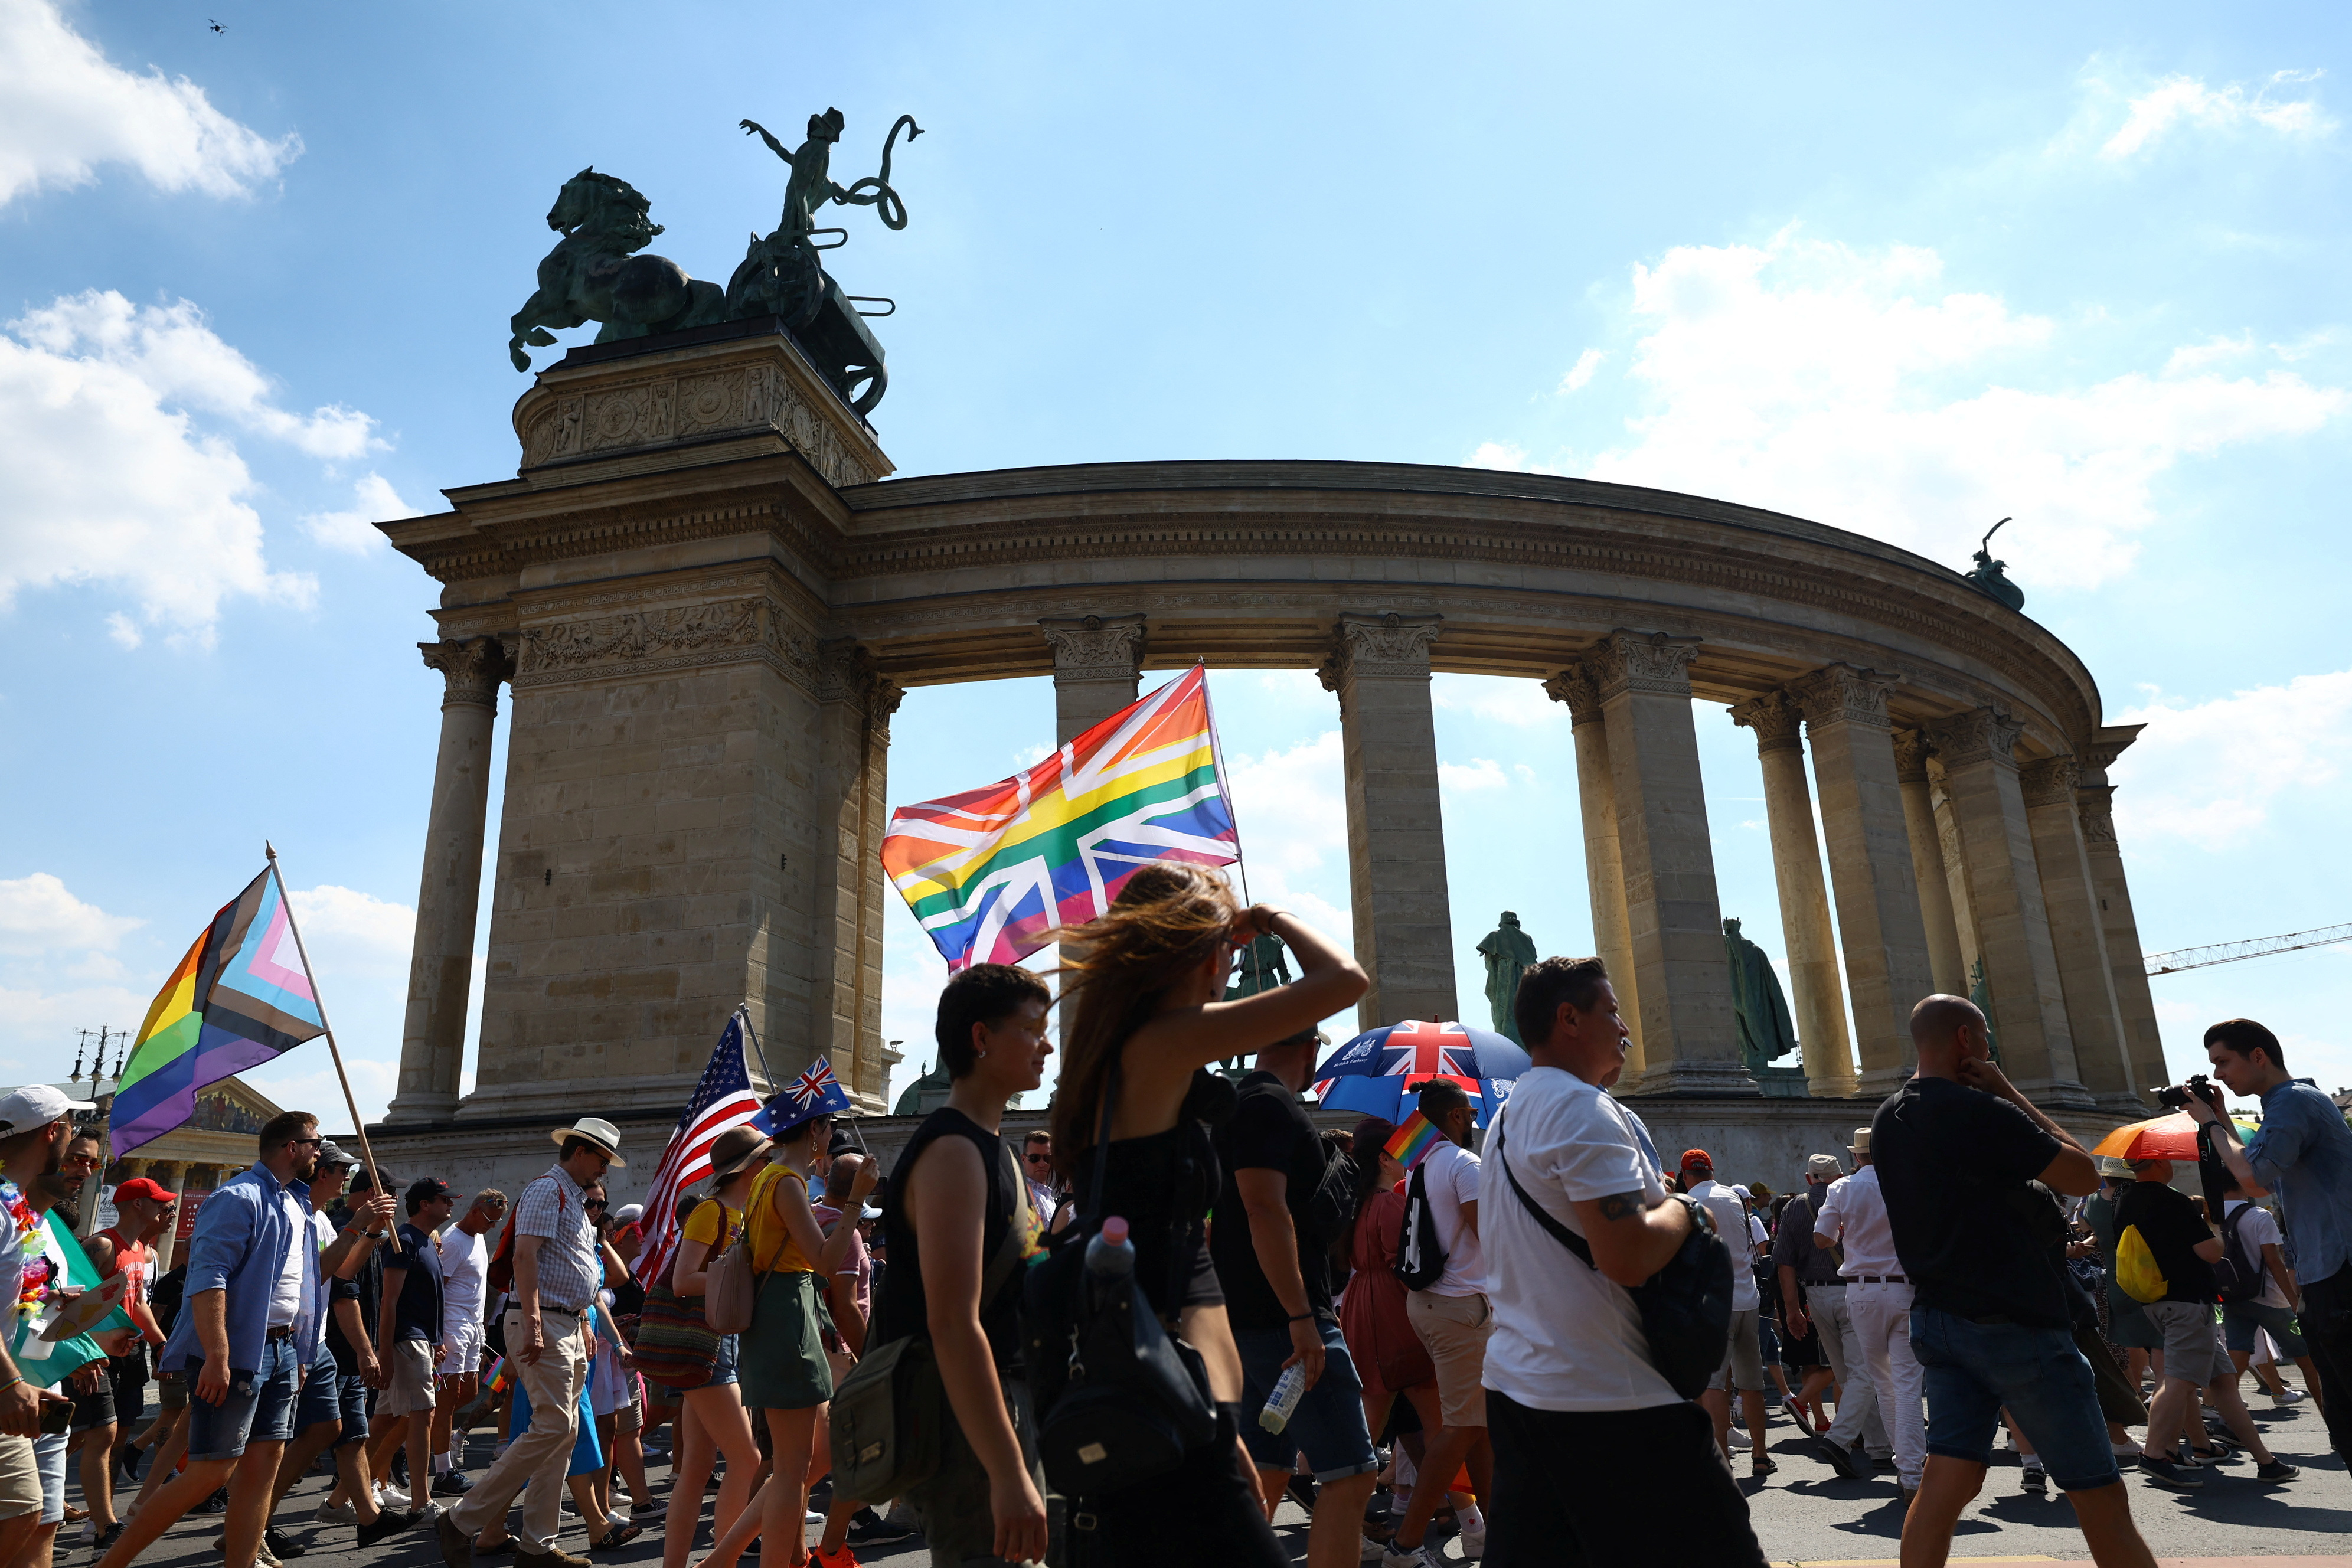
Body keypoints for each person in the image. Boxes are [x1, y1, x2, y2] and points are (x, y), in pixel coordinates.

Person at [1048, 867, 1366, 1567]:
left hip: (1167, 1368)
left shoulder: (1126, 1048)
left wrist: (1226, 1428)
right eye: (1225, 945)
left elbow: (1189, 1251)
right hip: (1152, 1368)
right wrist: (1271, 919)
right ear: (1200, 948)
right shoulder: (1161, 1040)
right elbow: (1345, 981)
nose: (1234, 959)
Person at [1475, 956, 1765, 1567]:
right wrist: (1687, 1210)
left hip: (1520, 1389)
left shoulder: (1505, 1119)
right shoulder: (1582, 1108)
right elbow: (1629, 1254)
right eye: (1611, 1010)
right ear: (1569, 1018)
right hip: (1613, 1402)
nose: (1627, 1027)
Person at [1872, 994, 2158, 1568]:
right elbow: (2081, 1173)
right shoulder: (1983, 1111)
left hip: (1940, 1319)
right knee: (2101, 1493)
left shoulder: (1889, 1118)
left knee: (1947, 1486)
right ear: (1965, 1039)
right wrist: (2008, 1090)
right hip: (2019, 1324)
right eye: (1984, 1037)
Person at [867, 962, 1054, 1567]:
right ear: (981, 1038)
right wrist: (1006, 1471)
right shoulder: (952, 1152)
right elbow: (953, 1321)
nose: (1048, 1043)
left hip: (998, 1409)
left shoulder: (994, 1150)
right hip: (969, 1425)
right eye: (1032, 1028)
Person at [93, 1111, 328, 1568]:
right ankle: (110, 1564)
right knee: (209, 1471)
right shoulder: (238, 1197)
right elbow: (207, 1278)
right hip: (240, 1352)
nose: (319, 1151)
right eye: (314, 1143)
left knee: (262, 1469)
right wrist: (219, 1354)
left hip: (282, 1349)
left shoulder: (296, 1201)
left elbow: (300, 1287)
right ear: (291, 1147)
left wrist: (299, 1352)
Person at [1208, 1026, 1381, 1568]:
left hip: (1250, 1319)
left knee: (1269, 1470)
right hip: (1286, 1321)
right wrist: (1301, 1316)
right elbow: (1263, 1209)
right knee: (1353, 1473)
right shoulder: (1269, 1104)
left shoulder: (1242, 1104)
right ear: (1308, 1048)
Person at [436, 1117, 626, 1568]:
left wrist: (579, 1319)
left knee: (562, 1433)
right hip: (544, 1323)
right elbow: (525, 1256)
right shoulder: (549, 1189)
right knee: (554, 1427)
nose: (605, 1169)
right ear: (581, 1151)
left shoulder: (574, 1199)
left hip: (567, 1323)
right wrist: (538, 1323)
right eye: (602, 1159)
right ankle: (461, 1521)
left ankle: (537, 1545)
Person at [2184, 1017, 2352, 1462]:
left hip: (2339, 1271)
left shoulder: (2293, 1101)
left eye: (2224, 1061)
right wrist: (2220, 1118)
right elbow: (2261, 1170)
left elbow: (2253, 1177)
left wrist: (2209, 1124)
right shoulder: (2291, 1104)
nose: (2219, 1074)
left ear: (2258, 1056)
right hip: (2327, 1272)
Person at [743, 1090, 878, 1568]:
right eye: (828, 1126)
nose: (830, 1135)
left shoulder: (769, 1179)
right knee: (793, 1469)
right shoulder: (786, 1183)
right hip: (789, 1320)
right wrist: (856, 1202)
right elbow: (823, 1261)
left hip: (782, 1318)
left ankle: (739, 1558)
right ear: (816, 1130)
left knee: (802, 1462)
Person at [263, 1142, 411, 1553]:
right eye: (341, 1169)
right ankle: (251, 1525)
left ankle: (369, 1518)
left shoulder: (325, 1220)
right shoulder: (308, 1216)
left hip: (318, 1342)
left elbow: (343, 1270)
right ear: (322, 1172)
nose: (347, 1177)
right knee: (300, 1437)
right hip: (304, 1341)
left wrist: (375, 1229)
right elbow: (339, 1284)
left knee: (349, 1436)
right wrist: (366, 1350)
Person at [2113, 1155, 2294, 1489]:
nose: (2171, 1164)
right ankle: (2155, 1454)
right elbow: (2212, 1252)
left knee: (2222, 1379)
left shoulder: (2125, 1200)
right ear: (2156, 1163)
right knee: (2180, 1380)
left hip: (2156, 1299)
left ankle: (2265, 1460)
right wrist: (2211, 1224)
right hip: (2187, 1301)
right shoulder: (2174, 1200)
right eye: (2165, 1159)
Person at [1385, 1076, 1492, 1566]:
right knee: (1460, 1427)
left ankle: (1499, 1533)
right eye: (1468, 1115)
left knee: (1477, 1425)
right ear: (1453, 1115)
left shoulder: (1419, 1165)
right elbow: (1487, 1235)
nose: (1472, 1122)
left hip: (1429, 1303)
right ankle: (1405, 1545)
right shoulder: (1464, 1163)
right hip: (1460, 1309)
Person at [658, 1125, 768, 1568]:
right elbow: (684, 1280)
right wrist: (745, 1280)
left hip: (722, 1346)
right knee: (746, 1460)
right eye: (765, 1160)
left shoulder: (739, 1214)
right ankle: (722, 1561)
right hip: (708, 1349)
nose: (771, 1167)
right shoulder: (712, 1212)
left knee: (698, 1469)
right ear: (749, 1168)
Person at [0, 1090, 96, 1568]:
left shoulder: (19, 1210)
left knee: (39, 1517)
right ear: (53, 1132)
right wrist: (10, 1382)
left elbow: (18, 1303)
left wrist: (58, 1307)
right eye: (73, 1138)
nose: (81, 1165)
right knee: (23, 1514)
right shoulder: (4, 1205)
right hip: (10, 1390)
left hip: (29, 1391)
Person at [1815, 1124, 1924, 1500]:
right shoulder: (1909, 1183)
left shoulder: (1842, 1188)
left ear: (1857, 1156)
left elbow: (1822, 1237)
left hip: (1862, 1291)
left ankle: (1906, 1468)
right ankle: (1912, 1473)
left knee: (1885, 1384)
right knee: (1908, 1385)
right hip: (1903, 1288)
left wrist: (1848, 1229)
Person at [1776, 1152, 1889, 1481]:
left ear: (1809, 1178)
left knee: (1847, 1373)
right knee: (1865, 1373)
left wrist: (1793, 1309)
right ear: (1840, 1174)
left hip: (1816, 1294)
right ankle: (1840, 1440)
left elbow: (1785, 1262)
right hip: (1853, 1289)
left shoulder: (1795, 1207)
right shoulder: (1852, 1192)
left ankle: (1880, 1448)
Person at [83, 1175, 175, 1552]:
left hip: (129, 1354)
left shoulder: (139, 1249)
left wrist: (161, 1345)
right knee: (88, 1435)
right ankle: (94, 1519)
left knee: (116, 1433)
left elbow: (138, 1305)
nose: (165, 1208)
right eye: (159, 1202)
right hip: (96, 1357)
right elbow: (73, 1305)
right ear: (138, 1204)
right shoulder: (102, 1246)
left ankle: (99, 1522)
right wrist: (92, 1348)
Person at [1681, 1149, 1771, 1477]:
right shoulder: (1735, 1198)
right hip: (1746, 1297)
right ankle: (1760, 1456)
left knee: (1714, 1384)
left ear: (1685, 1174)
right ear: (1712, 1171)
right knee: (1752, 1384)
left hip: (1712, 1304)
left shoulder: (1685, 1203)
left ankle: (1721, 1457)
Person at [372, 1179, 455, 1526]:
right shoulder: (402, 1240)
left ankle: (342, 1494)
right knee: (423, 1416)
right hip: (406, 1342)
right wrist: (385, 1354)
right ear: (424, 1204)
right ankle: (421, 1502)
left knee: (387, 1422)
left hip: (420, 1342)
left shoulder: (424, 1242)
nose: (450, 1205)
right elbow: (388, 1302)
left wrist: (435, 1341)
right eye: (443, 1200)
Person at [2218, 1175, 2324, 1406]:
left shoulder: (2211, 1216)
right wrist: (2294, 1301)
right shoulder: (2258, 1216)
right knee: (2309, 1361)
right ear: (2241, 1184)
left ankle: (2225, 1411)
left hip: (2232, 1296)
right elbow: (2274, 1261)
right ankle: (2334, 1421)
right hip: (2269, 1299)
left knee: (2238, 1355)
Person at [433, 1188, 505, 1495]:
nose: (492, 1227)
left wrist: (481, 1330)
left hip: (473, 1327)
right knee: (448, 1401)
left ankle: (425, 1435)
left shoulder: (477, 1236)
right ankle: (442, 1473)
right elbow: (438, 1290)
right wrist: (438, 1336)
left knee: (470, 1392)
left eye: (496, 1223)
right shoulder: (452, 1241)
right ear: (475, 1211)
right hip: (452, 1326)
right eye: (490, 1220)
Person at [1020, 1132, 1057, 1229]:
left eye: (1047, 1158)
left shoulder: (1048, 1197)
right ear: (1023, 1159)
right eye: (1034, 1158)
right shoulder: (1028, 1197)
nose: (1042, 1164)